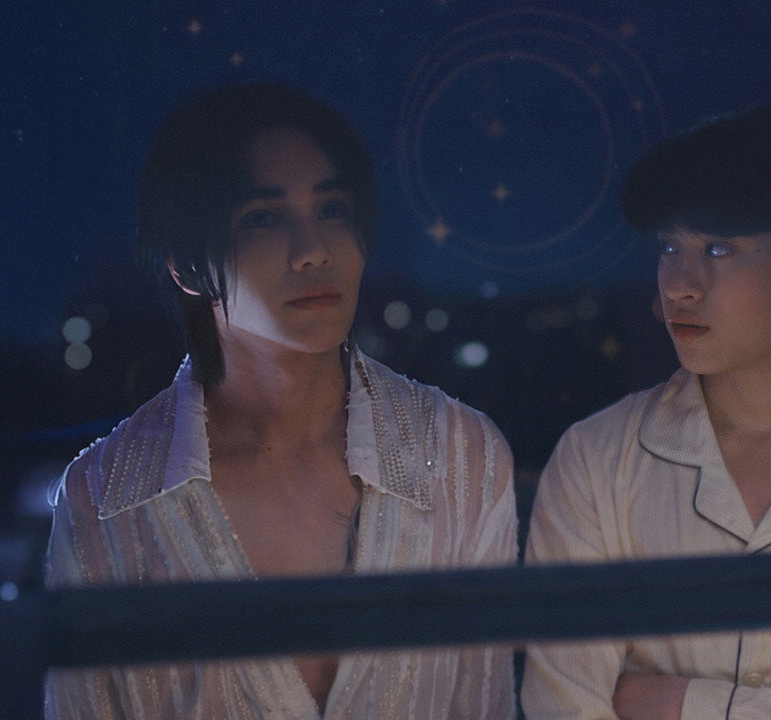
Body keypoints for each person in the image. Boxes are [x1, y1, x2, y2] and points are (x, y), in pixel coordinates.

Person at [43, 82, 518, 719]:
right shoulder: (105, 498)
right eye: (262, 218)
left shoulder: (461, 454)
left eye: (333, 209)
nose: (313, 249)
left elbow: (484, 705)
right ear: (186, 263)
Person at [521, 107, 771, 720]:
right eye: (668, 247)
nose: (678, 285)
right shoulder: (596, 460)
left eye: (718, 248)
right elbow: (563, 710)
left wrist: (672, 701)